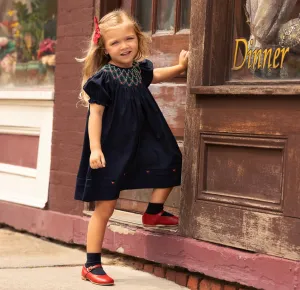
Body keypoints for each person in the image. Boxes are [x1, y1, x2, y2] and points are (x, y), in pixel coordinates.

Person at [74, 9, 189, 286]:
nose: (124, 46)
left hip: (143, 138)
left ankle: (154, 211)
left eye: (129, 39)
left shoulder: (139, 70)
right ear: (103, 47)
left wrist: (180, 68)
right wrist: (96, 149)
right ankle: (91, 264)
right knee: (106, 204)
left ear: (138, 38)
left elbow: (157, 75)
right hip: (111, 146)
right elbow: (97, 115)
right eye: (115, 42)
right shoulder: (104, 79)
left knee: (171, 159)